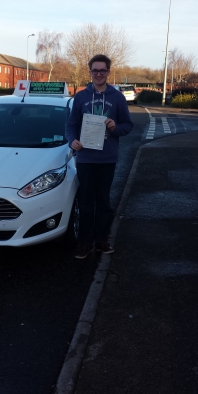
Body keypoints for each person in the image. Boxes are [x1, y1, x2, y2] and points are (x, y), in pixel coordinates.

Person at [65, 54, 133, 259]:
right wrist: (72, 141)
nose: (99, 74)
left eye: (103, 70)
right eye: (95, 70)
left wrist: (114, 127)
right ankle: (85, 243)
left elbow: (127, 125)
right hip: (85, 158)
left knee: (103, 201)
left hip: (107, 159)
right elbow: (71, 125)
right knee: (85, 202)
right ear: (90, 72)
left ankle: (102, 240)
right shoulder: (81, 97)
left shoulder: (117, 97)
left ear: (108, 72)